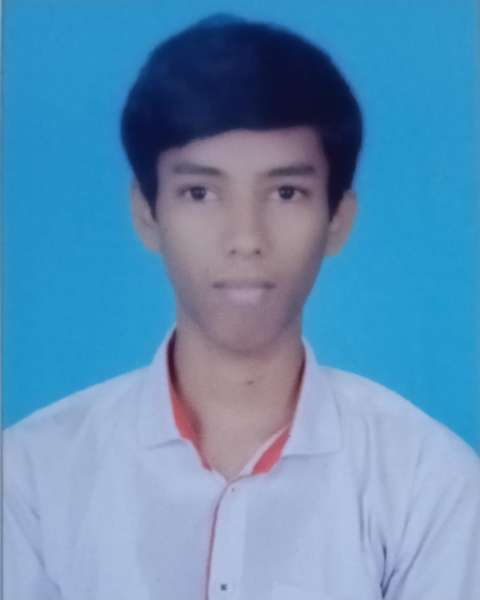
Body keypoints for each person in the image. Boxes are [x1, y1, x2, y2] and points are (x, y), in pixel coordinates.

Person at [3, 14, 479, 600]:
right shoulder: (30, 479)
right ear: (147, 213)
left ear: (338, 219)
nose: (246, 238)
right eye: (200, 192)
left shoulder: (428, 483)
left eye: (286, 192)